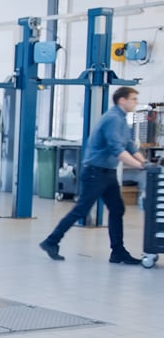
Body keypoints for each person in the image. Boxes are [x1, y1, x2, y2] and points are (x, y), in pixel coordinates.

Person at [40, 86, 146, 264]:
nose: (135, 102)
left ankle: (118, 251)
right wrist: (140, 166)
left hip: (108, 173)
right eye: (133, 99)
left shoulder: (121, 119)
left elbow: (128, 145)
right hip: (96, 173)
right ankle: (51, 241)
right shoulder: (113, 119)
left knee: (117, 209)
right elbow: (116, 149)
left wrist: (143, 162)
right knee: (81, 209)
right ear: (122, 100)